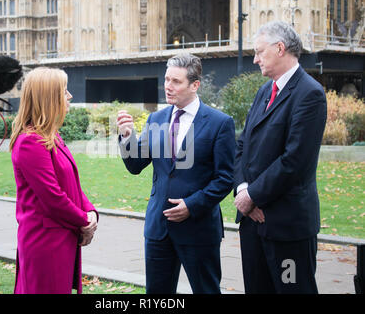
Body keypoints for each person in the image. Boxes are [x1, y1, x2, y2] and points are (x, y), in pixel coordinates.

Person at [117, 53, 235, 294]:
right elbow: (135, 165)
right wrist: (127, 137)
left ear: (195, 85)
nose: (168, 87)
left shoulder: (219, 123)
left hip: (199, 228)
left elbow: (225, 178)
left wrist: (192, 205)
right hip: (159, 229)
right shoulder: (156, 119)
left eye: (176, 82)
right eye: (166, 79)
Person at [234, 21, 327, 294]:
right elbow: (242, 148)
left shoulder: (309, 94)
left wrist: (253, 196)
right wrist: (243, 192)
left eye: (260, 51)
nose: (255, 59)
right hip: (253, 224)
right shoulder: (265, 91)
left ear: (280, 48)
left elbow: (295, 161)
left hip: (287, 228)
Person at [9, 67, 98, 294]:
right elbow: (53, 197)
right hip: (46, 242)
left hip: (61, 237)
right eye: (64, 91)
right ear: (48, 98)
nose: (69, 96)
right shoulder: (30, 142)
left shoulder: (51, 136)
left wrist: (91, 214)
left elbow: (72, 186)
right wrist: (83, 221)